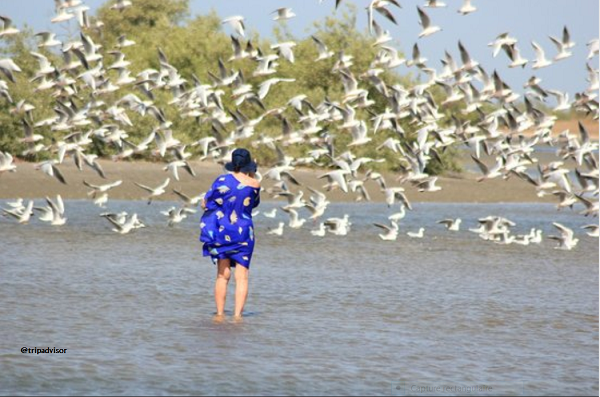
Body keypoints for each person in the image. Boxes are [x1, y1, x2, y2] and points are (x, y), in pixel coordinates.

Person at [200, 148, 260, 319]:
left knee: (222, 275)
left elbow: (206, 203)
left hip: (222, 229)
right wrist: (252, 173)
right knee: (242, 278)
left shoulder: (221, 180)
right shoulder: (254, 184)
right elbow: (253, 204)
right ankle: (237, 316)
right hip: (243, 232)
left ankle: (219, 315)